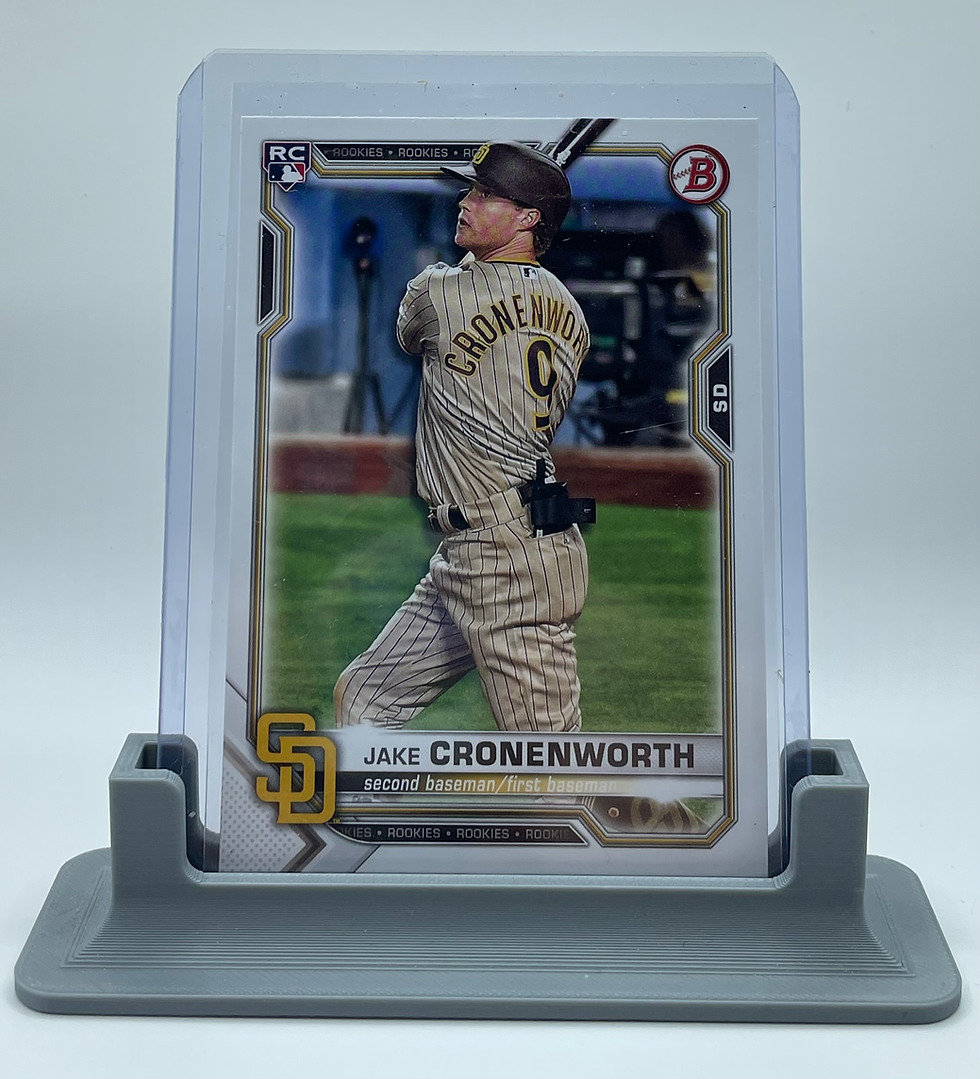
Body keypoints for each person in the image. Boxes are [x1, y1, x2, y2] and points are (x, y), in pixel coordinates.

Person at [334, 141, 594, 733]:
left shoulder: (439, 291)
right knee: (365, 699)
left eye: (485, 194)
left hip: (508, 558)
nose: (465, 201)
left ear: (527, 218)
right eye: (471, 189)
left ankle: (649, 814)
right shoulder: (570, 310)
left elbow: (411, 333)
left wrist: (465, 267)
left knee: (548, 761)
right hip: (495, 544)